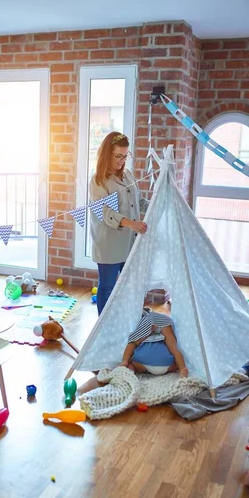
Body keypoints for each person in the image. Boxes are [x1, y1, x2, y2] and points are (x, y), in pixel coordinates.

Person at [90, 132, 148, 315]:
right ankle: (103, 327)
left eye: (125, 156)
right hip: (109, 242)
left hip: (129, 241)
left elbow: (138, 201)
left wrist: (158, 204)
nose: (122, 160)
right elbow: (105, 211)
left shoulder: (128, 175)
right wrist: (130, 223)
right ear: (107, 154)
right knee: (107, 286)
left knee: (128, 284)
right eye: (118, 156)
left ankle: (124, 319)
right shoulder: (98, 180)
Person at [119, 307, 188, 377]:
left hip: (143, 364)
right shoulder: (165, 331)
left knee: (132, 358)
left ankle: (129, 369)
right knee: (174, 350)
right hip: (167, 365)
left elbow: (132, 344)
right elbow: (174, 350)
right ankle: (182, 368)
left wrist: (124, 361)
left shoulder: (143, 327)